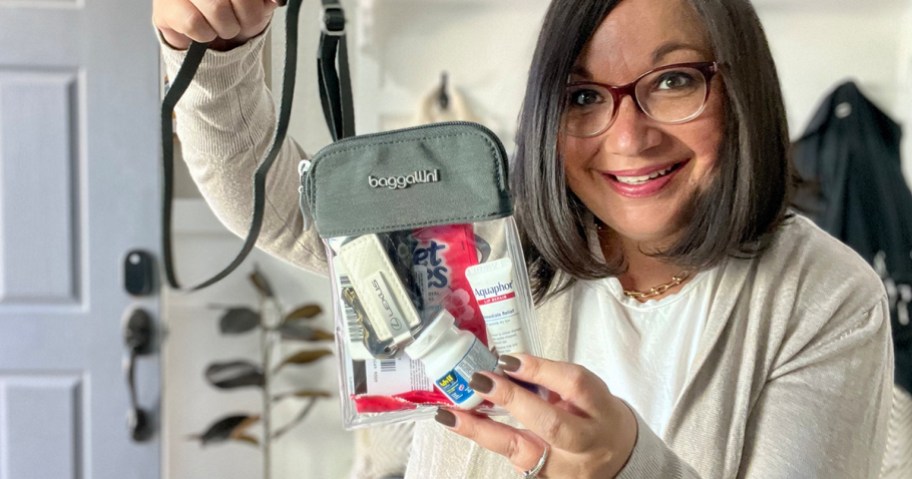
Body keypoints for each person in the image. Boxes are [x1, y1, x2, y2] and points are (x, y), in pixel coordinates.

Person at [153, 0, 894, 477]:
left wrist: (627, 466)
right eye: (581, 96)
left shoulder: (823, 296)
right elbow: (276, 204)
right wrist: (218, 50)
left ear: (740, 89)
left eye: (673, 81)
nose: (627, 136)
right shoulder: (495, 235)